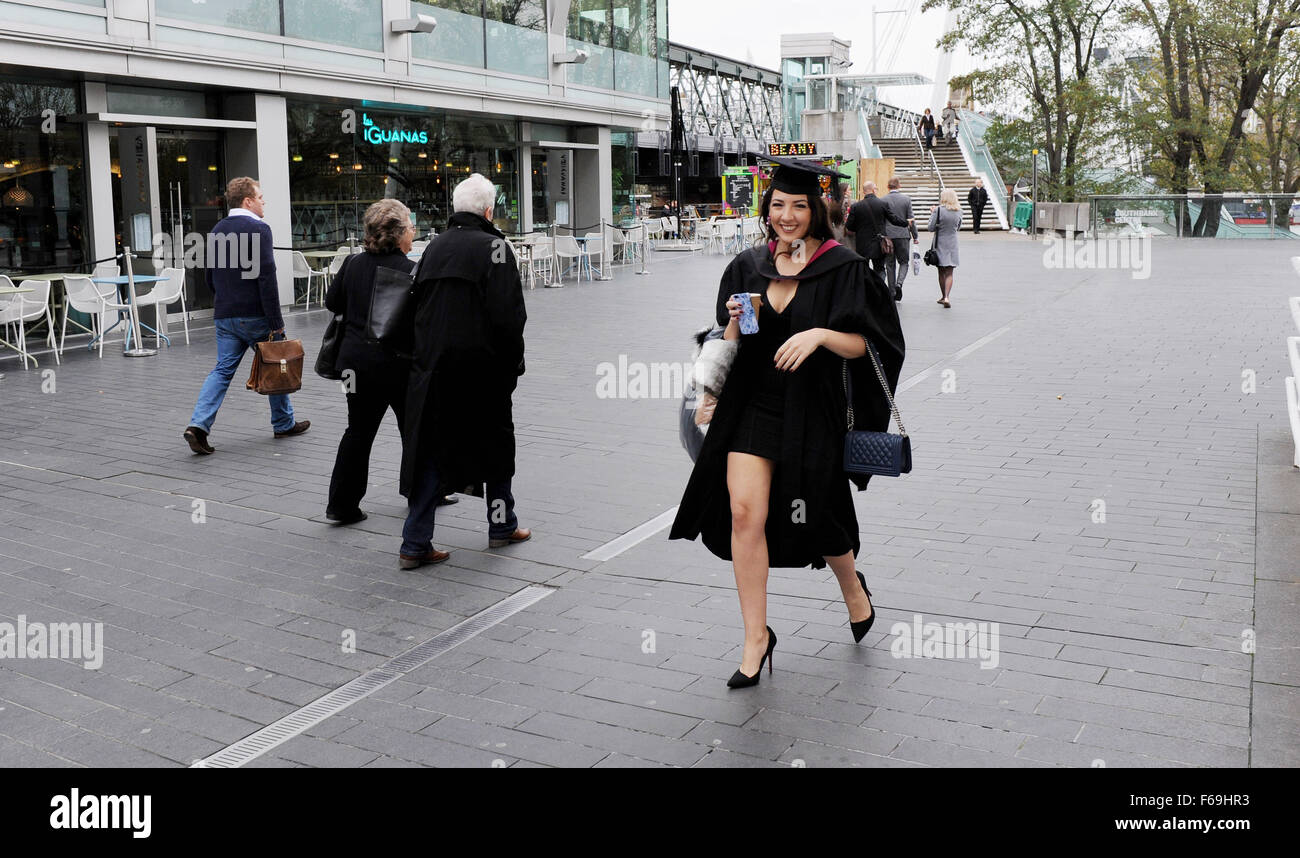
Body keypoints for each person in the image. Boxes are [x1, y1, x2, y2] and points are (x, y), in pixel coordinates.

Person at [669, 156, 906, 688]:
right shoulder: (748, 266)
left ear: (816, 210)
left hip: (813, 409)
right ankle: (756, 637)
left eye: (799, 205)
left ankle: (852, 588)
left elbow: (874, 343)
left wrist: (820, 336)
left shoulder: (841, 267)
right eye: (778, 205)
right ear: (767, 209)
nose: (788, 216)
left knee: (818, 515)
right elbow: (730, 339)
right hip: (751, 406)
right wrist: (721, 357)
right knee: (745, 513)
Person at [399, 173, 531, 571]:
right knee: (495, 448)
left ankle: (415, 542)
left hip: (433, 371)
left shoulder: (433, 248)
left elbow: (414, 309)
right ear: (489, 210)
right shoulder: (495, 248)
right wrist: (511, 369)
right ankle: (501, 525)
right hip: (482, 372)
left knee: (429, 454)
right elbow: (509, 319)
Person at [184, 177, 308, 455]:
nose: (264, 202)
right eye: (261, 197)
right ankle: (283, 423)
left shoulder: (217, 230)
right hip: (256, 315)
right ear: (248, 200)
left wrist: (224, 301)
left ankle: (197, 426)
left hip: (225, 315)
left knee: (221, 371)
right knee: (276, 363)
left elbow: (210, 275)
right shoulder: (259, 229)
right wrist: (276, 323)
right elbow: (267, 278)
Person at [322, 199, 418, 526]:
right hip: (397, 366)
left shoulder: (352, 264)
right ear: (397, 233)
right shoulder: (410, 271)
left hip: (354, 365)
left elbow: (331, 301)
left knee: (358, 432)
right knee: (413, 429)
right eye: (409, 226)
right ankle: (418, 490)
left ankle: (341, 504)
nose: (413, 232)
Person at [845, 181, 909, 284]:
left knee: (863, 269)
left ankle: (865, 291)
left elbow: (849, 226)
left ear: (864, 191)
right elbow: (893, 219)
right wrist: (906, 223)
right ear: (873, 190)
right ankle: (878, 290)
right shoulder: (882, 204)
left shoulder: (856, 206)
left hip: (862, 244)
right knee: (879, 269)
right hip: (878, 243)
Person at [881, 177, 918, 302]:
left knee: (890, 264)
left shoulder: (883, 200)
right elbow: (911, 220)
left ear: (888, 187)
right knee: (904, 262)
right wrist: (915, 236)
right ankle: (899, 283)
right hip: (903, 235)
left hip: (888, 236)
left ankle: (892, 291)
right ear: (899, 186)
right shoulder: (906, 200)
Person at [928, 188, 963, 308]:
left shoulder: (937, 210)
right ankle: (947, 297)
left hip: (940, 243)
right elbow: (958, 227)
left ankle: (943, 296)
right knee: (950, 272)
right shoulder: (959, 211)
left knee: (941, 271)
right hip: (953, 243)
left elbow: (930, 228)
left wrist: (932, 213)